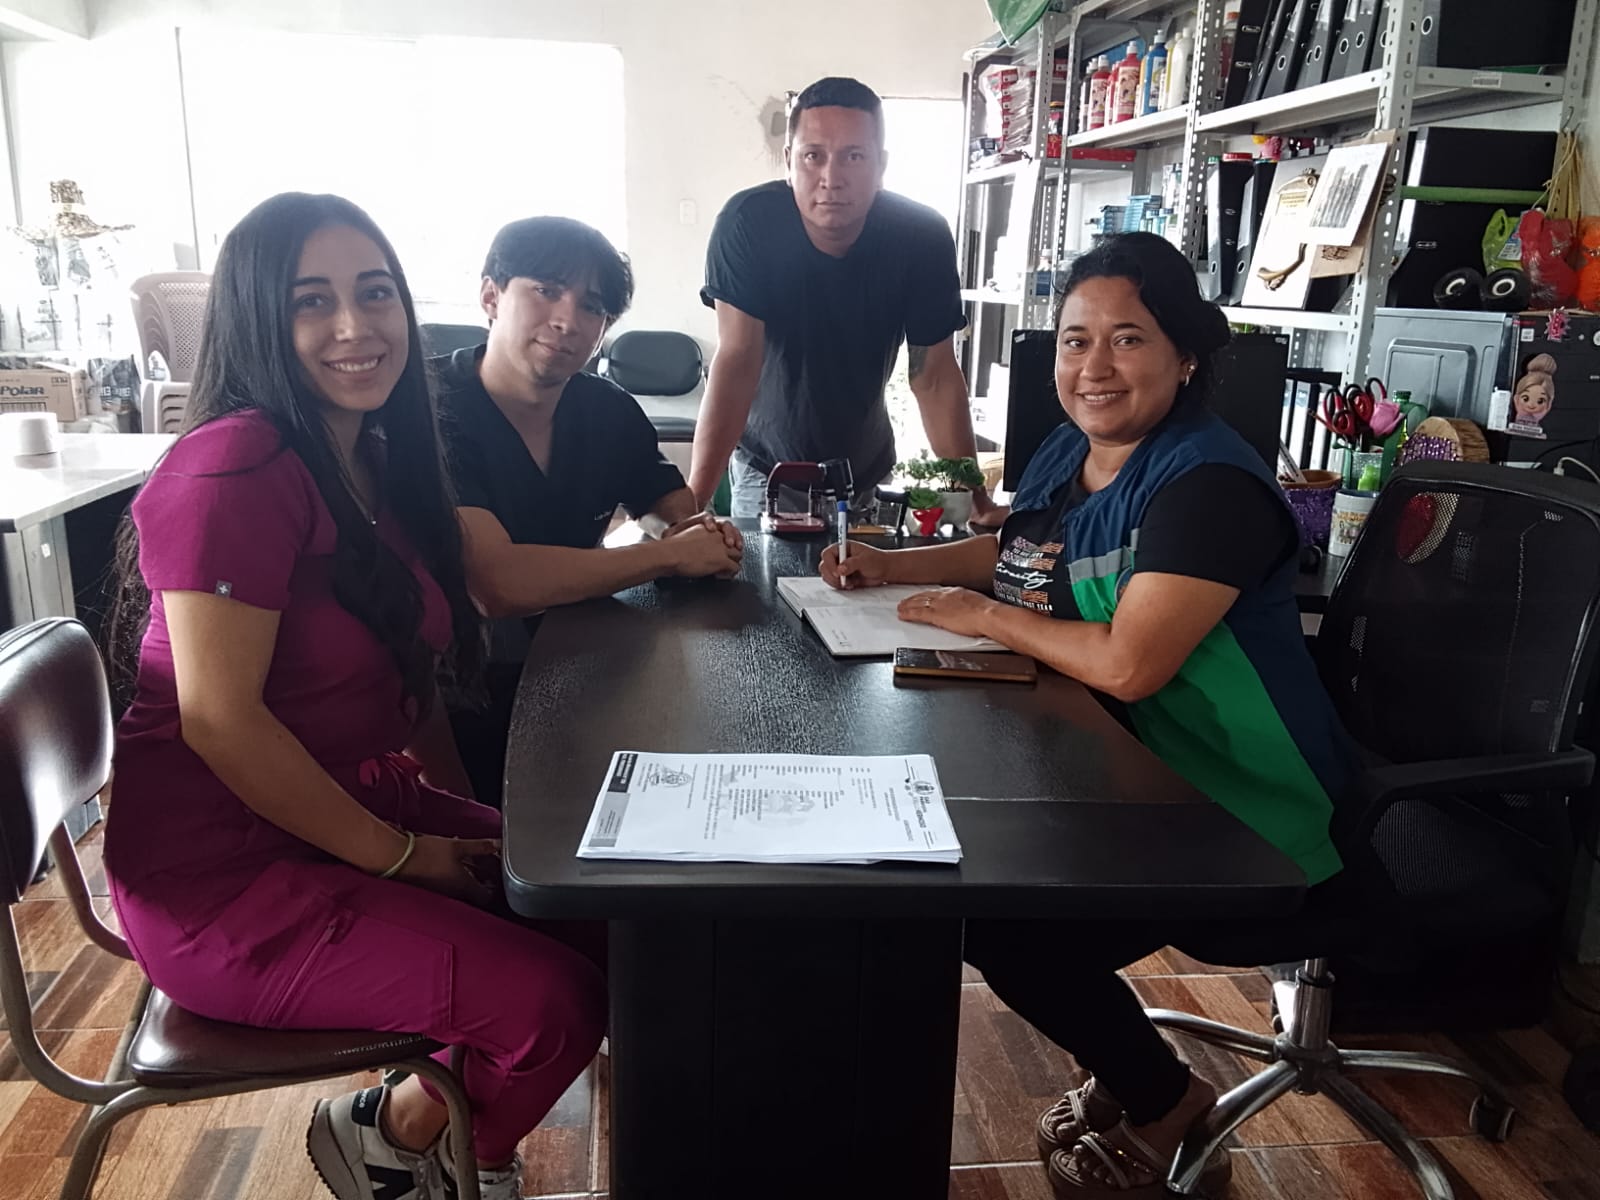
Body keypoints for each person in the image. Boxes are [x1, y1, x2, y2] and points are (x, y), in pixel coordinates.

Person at [819, 233, 1352, 1199]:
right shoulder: (1077, 449)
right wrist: (894, 566)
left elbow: (1129, 664)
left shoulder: (1208, 488)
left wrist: (985, 618)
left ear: (1184, 356)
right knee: (983, 896)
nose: (1093, 367)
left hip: (1244, 806)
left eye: (1127, 339)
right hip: (1136, 777)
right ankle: (1130, 1068)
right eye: (1075, 340)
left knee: (1006, 924)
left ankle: (1164, 1098)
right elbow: (1022, 559)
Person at [103, 193, 606, 1200]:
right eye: (312, 301)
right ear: (258, 318)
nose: (354, 326)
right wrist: (410, 858)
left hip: (349, 807)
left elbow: (408, 669)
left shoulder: (369, 457)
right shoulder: (231, 467)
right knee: (551, 1002)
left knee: (604, 911)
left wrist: (459, 823)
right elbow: (218, 719)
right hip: (224, 883)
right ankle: (425, 1157)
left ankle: (395, 1127)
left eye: (375, 294)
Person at [435, 216, 743, 804]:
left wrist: (691, 532)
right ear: (491, 296)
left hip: (576, 664)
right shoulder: (432, 410)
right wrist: (667, 557)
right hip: (453, 690)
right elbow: (497, 584)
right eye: (546, 290)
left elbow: (660, 496)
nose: (567, 320)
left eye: (592, 306)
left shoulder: (606, 408)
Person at [691, 76, 1003, 525]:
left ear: (881, 164)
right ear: (789, 160)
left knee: (858, 570)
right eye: (813, 156)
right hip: (769, 470)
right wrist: (695, 502)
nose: (831, 179)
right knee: (761, 573)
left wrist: (976, 498)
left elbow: (933, 375)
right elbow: (739, 361)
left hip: (864, 472)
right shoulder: (748, 223)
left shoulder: (920, 237)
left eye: (854, 157)